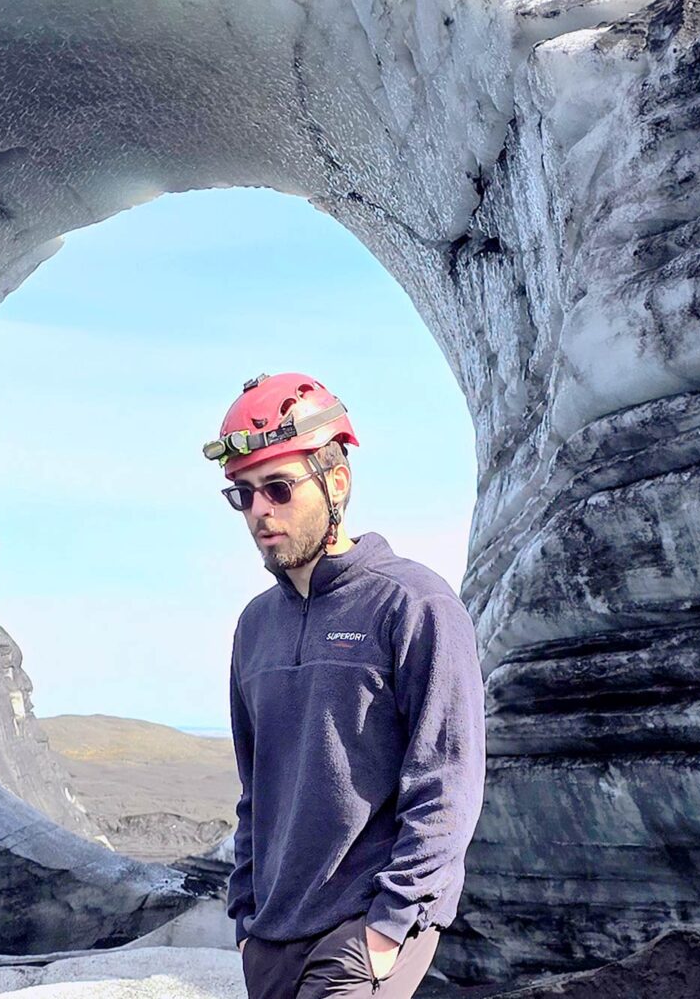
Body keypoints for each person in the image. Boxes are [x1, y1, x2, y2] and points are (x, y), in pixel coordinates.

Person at [203, 372, 487, 999]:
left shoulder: (413, 604)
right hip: (272, 939)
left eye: (277, 487)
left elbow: (448, 783)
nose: (259, 512)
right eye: (242, 495)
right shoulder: (255, 627)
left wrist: (386, 931)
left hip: (360, 935)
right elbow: (258, 789)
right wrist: (246, 919)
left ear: (336, 481)